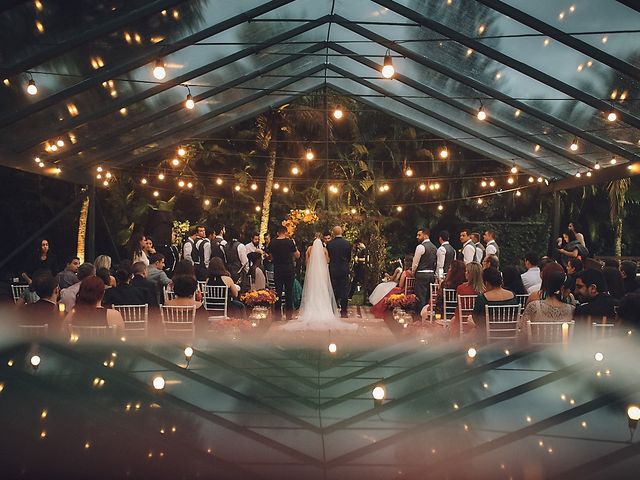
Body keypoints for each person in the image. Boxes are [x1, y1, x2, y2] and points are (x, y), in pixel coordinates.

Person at [282, 235, 356, 331]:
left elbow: (307, 261)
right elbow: (328, 261)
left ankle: (311, 307)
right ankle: (324, 308)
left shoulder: (309, 249)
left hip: (312, 273)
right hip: (322, 273)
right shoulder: (324, 250)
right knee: (322, 290)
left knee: (312, 290)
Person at [518, 268, 574, 337]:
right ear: (562, 289)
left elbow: (522, 329)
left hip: (536, 347)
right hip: (563, 347)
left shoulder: (533, 306)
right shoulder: (571, 310)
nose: (570, 291)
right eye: (569, 288)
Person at [266, 225, 299, 320]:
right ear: (286, 232)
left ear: (277, 233)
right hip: (289, 269)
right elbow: (297, 255)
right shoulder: (290, 242)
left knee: (278, 292)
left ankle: (277, 315)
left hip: (278, 269)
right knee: (289, 291)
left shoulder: (272, 242)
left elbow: (270, 257)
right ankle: (289, 315)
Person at [472, 267, 519, 333]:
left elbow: (476, 318)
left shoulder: (482, 298)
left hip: (488, 334)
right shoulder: (512, 295)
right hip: (509, 332)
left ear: (486, 283)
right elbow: (516, 315)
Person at [450, 261, 485, 334]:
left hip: (462, 321)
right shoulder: (485, 290)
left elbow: (458, 307)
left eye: (467, 271)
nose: (465, 273)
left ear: (470, 274)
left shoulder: (461, 288)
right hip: (479, 322)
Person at [327, 226, 352, 318]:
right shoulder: (347, 243)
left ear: (333, 233)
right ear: (341, 232)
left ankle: (333, 309)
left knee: (333, 289)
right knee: (344, 290)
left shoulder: (330, 244)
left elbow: (329, 256)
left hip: (333, 268)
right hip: (344, 268)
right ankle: (344, 311)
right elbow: (349, 257)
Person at [412, 228, 437, 313]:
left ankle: (420, 316)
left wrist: (413, 272)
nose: (417, 237)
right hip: (431, 274)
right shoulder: (435, 247)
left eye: (419, 235)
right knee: (428, 297)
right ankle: (427, 315)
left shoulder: (420, 247)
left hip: (421, 274)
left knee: (420, 297)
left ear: (425, 235)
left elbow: (415, 263)